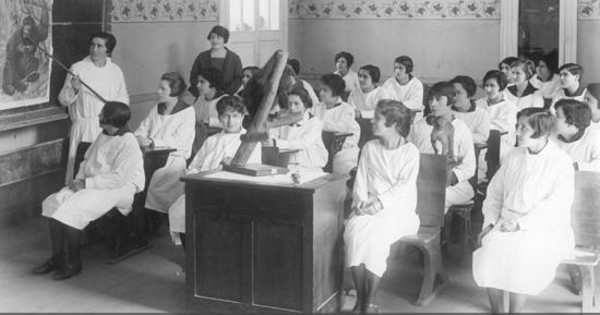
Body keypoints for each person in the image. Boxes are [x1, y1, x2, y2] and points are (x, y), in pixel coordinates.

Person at [473, 108, 575, 313]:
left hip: (542, 226)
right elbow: (495, 193)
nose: (517, 133)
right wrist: (490, 223)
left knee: (521, 258)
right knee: (488, 253)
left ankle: (515, 312)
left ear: (543, 132)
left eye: (524, 128)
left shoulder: (559, 161)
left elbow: (557, 204)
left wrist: (522, 224)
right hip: (505, 221)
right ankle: (498, 311)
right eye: (517, 126)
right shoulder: (514, 155)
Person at [32, 102, 144, 280]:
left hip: (118, 189)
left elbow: (119, 178)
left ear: (112, 120)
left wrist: (87, 184)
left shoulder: (129, 143)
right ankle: (57, 257)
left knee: (72, 210)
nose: (98, 117)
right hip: (92, 183)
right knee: (55, 202)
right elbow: (86, 161)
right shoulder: (104, 134)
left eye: (102, 115)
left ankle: (74, 263)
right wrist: (78, 180)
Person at [344, 99, 420, 314]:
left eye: (377, 118)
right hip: (366, 207)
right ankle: (360, 298)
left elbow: (404, 187)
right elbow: (360, 181)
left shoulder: (410, 152)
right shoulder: (370, 147)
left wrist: (379, 203)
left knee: (376, 238)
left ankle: (370, 301)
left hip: (399, 211)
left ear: (394, 124)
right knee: (355, 233)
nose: (372, 121)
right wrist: (360, 203)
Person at [168, 96, 261, 247]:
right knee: (178, 210)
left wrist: (226, 170)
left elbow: (251, 172)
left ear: (243, 117)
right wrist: (205, 174)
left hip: (232, 192)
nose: (230, 121)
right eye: (226, 116)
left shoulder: (249, 141)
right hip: (204, 189)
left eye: (235, 116)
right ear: (219, 118)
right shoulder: (211, 140)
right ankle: (192, 259)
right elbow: (193, 167)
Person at [58, 32, 129, 185]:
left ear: (108, 50)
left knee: (103, 174)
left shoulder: (115, 70)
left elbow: (123, 97)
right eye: (92, 45)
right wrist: (74, 90)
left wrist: (115, 114)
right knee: (81, 173)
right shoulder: (78, 68)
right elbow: (63, 100)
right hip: (84, 128)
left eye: (99, 46)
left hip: (108, 128)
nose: (94, 49)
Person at [408, 82, 476, 212]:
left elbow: (469, 167)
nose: (433, 104)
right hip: (423, 181)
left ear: (451, 101)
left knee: (435, 197)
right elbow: (409, 155)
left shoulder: (461, 129)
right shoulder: (418, 126)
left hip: (453, 185)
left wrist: (446, 178)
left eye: (438, 99)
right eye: (430, 99)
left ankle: (434, 231)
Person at [134, 72, 195, 214]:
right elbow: (142, 129)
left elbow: (180, 142)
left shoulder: (187, 111)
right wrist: (139, 138)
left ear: (174, 91)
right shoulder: (157, 108)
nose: (158, 92)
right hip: (151, 158)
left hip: (173, 160)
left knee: (153, 186)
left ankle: (154, 220)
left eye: (163, 89)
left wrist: (151, 141)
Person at [266, 86, 328, 170]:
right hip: (286, 165)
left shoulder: (315, 123)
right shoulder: (283, 120)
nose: (292, 107)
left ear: (305, 105)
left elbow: (303, 143)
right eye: (290, 103)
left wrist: (275, 142)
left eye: (296, 103)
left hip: (309, 167)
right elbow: (272, 134)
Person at [475, 70, 519, 182]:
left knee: (487, 160)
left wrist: (481, 126)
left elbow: (502, 127)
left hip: (502, 143)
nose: (488, 89)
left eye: (492, 86)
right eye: (486, 85)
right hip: (477, 140)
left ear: (502, 86)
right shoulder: (477, 104)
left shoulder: (511, 108)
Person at [315, 74, 361, 175]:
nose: (321, 93)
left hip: (342, 150)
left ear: (335, 93)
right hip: (320, 147)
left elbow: (341, 127)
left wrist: (317, 124)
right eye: (321, 89)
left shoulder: (346, 109)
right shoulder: (317, 107)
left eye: (325, 90)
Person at [2, 4, 49, 96]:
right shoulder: (15, 37)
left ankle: (26, 78)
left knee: (35, 62)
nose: (26, 33)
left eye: (28, 30)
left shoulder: (36, 31)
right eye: (25, 30)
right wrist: (15, 83)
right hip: (15, 64)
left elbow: (44, 27)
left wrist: (44, 7)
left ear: (33, 29)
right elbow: (10, 60)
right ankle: (14, 83)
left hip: (28, 63)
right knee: (10, 68)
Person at [189, 25, 242, 96]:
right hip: (205, 96)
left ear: (224, 40)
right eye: (212, 37)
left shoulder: (234, 58)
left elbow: (238, 79)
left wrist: (226, 92)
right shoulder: (202, 57)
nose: (215, 40)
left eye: (218, 38)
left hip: (226, 96)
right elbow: (193, 76)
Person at [191, 67, 228, 158]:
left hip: (218, 143)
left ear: (213, 83)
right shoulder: (200, 100)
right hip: (200, 140)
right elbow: (191, 118)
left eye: (202, 82)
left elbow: (230, 123)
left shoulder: (225, 100)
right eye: (198, 82)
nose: (198, 85)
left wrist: (210, 121)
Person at [553, 99, 600, 172]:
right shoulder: (549, 135)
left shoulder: (594, 136)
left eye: (557, 115)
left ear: (571, 121)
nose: (553, 119)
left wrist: (575, 166)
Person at [450, 75, 491, 145]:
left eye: (458, 93)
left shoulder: (482, 114)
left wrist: (457, 136)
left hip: (474, 152)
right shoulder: (445, 112)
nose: (454, 96)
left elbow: (482, 138)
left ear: (469, 94)